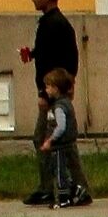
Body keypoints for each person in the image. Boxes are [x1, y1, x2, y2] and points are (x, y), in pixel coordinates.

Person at [20, 0, 86, 207]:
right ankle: (65, 186)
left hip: (53, 94)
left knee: (49, 139)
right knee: (58, 140)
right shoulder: (52, 23)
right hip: (55, 91)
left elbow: (59, 59)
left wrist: (47, 93)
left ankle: (54, 187)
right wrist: (33, 53)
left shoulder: (54, 24)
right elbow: (50, 54)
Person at [35, 70, 88, 208]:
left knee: (59, 173)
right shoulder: (65, 103)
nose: (46, 90)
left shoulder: (59, 107)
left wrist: (50, 140)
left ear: (55, 89)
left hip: (60, 146)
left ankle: (64, 198)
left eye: (48, 86)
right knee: (64, 171)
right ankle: (76, 190)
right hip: (65, 144)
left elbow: (60, 127)